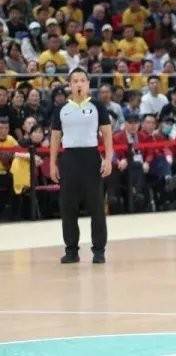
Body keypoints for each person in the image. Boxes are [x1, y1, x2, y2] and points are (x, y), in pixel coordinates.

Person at [49, 68, 114, 264]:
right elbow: (55, 138)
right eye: (75, 80)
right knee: (68, 207)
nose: (79, 84)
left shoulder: (97, 106)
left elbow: (107, 135)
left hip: (91, 157)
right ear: (70, 84)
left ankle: (99, 250)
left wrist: (108, 159)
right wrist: (52, 163)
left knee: (96, 207)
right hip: (69, 158)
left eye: (82, 80)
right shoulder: (61, 109)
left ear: (88, 84)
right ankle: (71, 250)